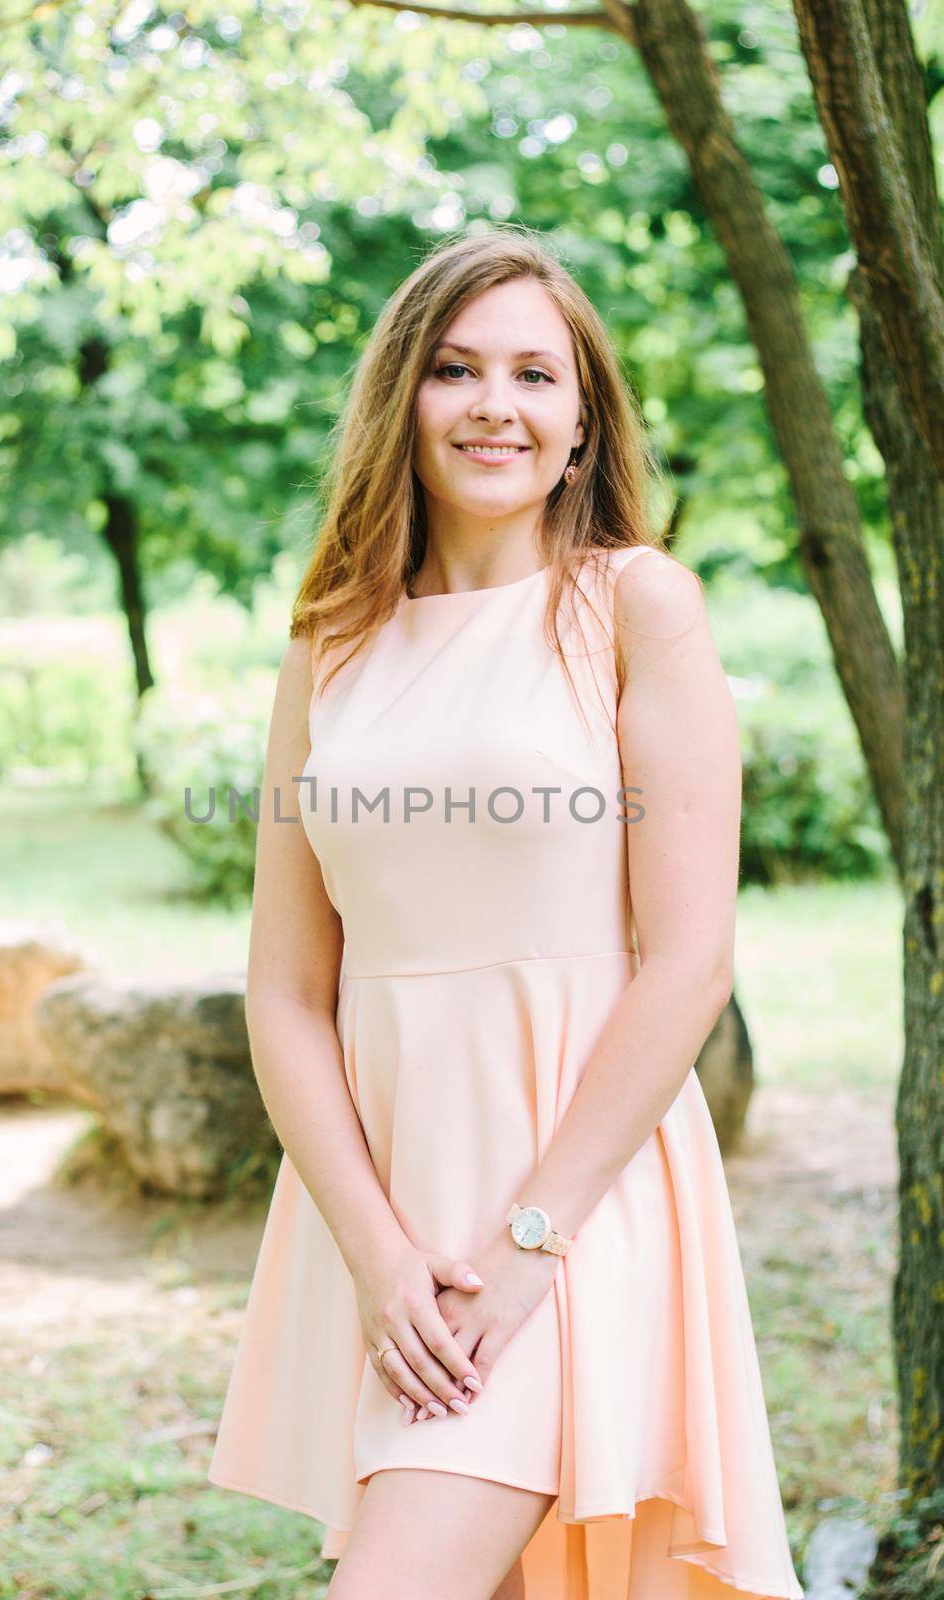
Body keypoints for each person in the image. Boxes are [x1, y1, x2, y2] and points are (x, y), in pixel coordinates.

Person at [208, 226, 804, 1600]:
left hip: (572, 1210)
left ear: (584, 421)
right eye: (457, 369)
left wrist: (531, 1244)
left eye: (537, 374)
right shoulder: (331, 638)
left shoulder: (635, 608)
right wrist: (376, 1254)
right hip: (392, 1219)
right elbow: (289, 988)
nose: (495, 405)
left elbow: (687, 961)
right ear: (401, 401)